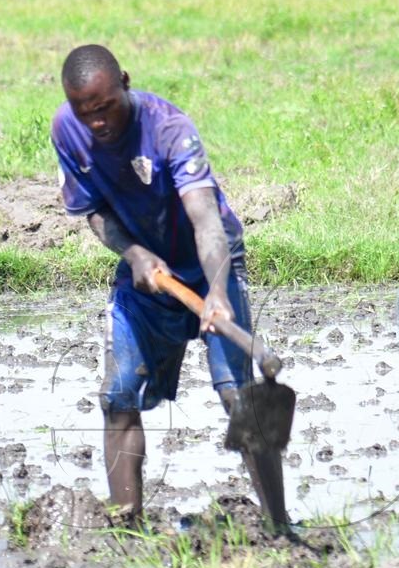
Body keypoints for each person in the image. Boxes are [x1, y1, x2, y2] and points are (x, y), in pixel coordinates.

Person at [53, 44, 289, 535]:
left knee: (240, 399)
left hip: (209, 263)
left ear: (126, 82)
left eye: (105, 107)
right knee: (118, 398)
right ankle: (126, 527)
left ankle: (278, 527)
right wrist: (134, 254)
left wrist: (219, 291)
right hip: (147, 268)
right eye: (85, 112)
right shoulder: (67, 130)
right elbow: (93, 211)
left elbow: (206, 221)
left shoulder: (168, 129)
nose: (96, 122)